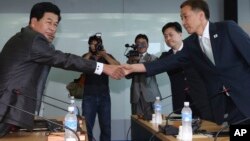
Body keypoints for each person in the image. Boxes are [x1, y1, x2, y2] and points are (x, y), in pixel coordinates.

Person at [0, 2, 123, 137]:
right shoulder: (33, 39)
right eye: (49, 22)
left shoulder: (25, 38)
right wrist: (102, 67)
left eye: (55, 24)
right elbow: (64, 59)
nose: (53, 28)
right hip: (6, 106)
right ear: (34, 21)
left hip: (10, 107)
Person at [122, 0, 250, 125]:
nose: (183, 22)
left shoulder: (227, 28)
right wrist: (133, 68)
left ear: (200, 15)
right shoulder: (190, 44)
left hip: (245, 97)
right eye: (181, 18)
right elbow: (166, 63)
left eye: (185, 17)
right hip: (227, 107)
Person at [160, 22, 211, 119]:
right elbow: (151, 67)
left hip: (201, 100)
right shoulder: (165, 57)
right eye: (165, 36)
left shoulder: (195, 50)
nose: (168, 38)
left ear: (180, 34)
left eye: (171, 35)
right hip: (180, 102)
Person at [82, 34, 120, 141]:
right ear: (89, 45)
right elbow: (81, 66)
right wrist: (90, 53)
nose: (94, 46)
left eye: (96, 44)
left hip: (104, 97)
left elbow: (118, 66)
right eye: (92, 44)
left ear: (101, 44)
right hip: (89, 96)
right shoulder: (86, 56)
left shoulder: (107, 57)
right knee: (87, 126)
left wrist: (105, 55)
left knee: (106, 127)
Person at [126, 34, 161, 119]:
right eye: (138, 43)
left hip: (150, 95)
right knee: (137, 121)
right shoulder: (132, 59)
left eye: (143, 43)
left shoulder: (153, 58)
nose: (141, 45)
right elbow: (127, 76)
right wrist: (132, 62)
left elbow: (151, 68)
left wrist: (139, 60)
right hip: (136, 95)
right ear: (135, 45)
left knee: (152, 122)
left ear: (148, 45)